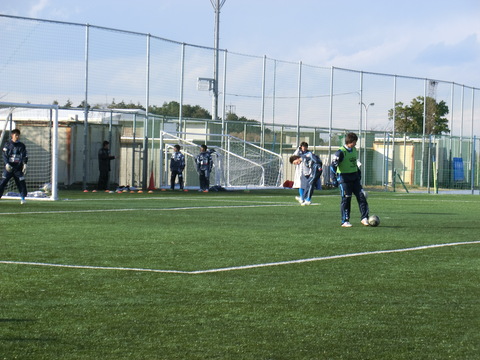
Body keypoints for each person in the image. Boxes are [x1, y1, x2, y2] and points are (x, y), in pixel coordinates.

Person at [330, 132, 369, 227]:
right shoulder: (340, 152)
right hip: (344, 178)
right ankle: (345, 221)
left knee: (362, 196)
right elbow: (332, 166)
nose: (356, 144)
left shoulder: (354, 150)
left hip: (354, 178)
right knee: (346, 199)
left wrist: (358, 173)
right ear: (350, 142)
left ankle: (364, 218)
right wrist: (333, 179)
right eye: (355, 142)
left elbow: (355, 162)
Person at [0, 129, 28, 204]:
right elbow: (4, 155)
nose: (17, 137)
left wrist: (25, 164)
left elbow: (24, 155)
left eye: (18, 135)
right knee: (2, 183)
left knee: (21, 183)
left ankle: (23, 198)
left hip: (18, 169)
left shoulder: (21, 145)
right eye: (16, 135)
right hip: (8, 168)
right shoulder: (7, 144)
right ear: (12, 135)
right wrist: (7, 164)